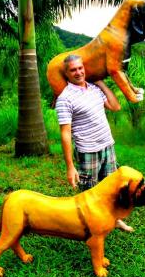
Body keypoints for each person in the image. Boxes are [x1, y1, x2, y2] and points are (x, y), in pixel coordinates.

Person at [55, 54, 133, 232]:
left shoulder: (94, 90)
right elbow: (65, 134)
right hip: (87, 150)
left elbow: (115, 106)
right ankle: (89, 226)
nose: (78, 72)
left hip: (107, 145)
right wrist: (70, 166)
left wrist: (100, 83)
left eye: (80, 68)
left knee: (112, 187)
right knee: (89, 192)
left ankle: (115, 219)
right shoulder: (64, 98)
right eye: (73, 70)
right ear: (67, 73)